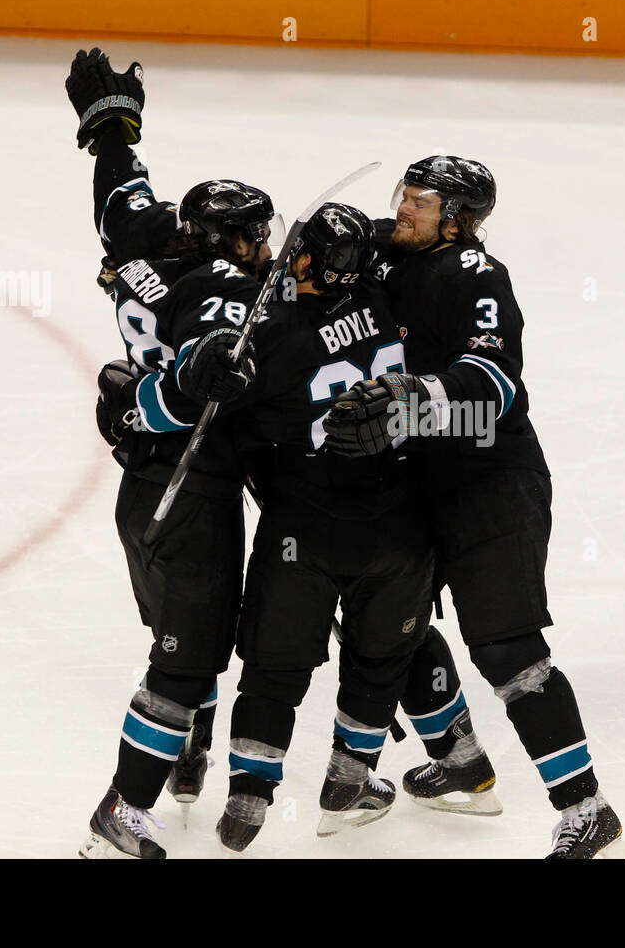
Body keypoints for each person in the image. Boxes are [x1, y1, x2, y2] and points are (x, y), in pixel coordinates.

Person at [325, 157, 625, 859]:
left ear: (459, 217)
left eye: (420, 202)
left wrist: (411, 397)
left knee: (508, 650)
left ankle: (589, 813)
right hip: (414, 480)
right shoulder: (388, 250)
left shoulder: (476, 276)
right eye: (402, 195)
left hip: (491, 482)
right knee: (386, 617)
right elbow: (317, 252)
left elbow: (493, 384)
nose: (403, 208)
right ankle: (460, 758)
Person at [172, 204, 437, 851]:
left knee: (273, 668)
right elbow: (378, 235)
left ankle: (247, 798)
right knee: (378, 662)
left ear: (312, 260)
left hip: (303, 527)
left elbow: (211, 412)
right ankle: (349, 779)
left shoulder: (271, 335)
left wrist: (196, 369)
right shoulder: (381, 293)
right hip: (398, 525)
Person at [67, 48, 274, 858]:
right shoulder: (223, 285)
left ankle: (185, 740)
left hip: (140, 490)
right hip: (191, 486)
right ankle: (123, 807)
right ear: (224, 240)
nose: (267, 246)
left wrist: (113, 128)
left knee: (186, 635)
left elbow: (119, 189)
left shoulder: (147, 238)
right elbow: (208, 366)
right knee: (186, 654)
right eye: (256, 236)